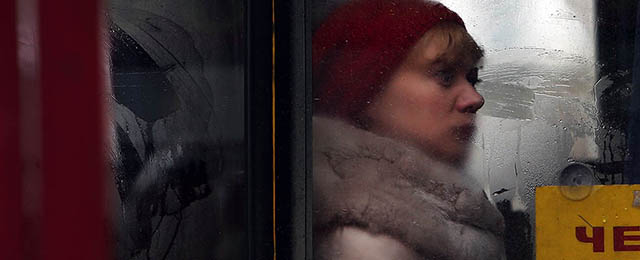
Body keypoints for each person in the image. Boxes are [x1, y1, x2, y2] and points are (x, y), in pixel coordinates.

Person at [312, 0, 506, 259]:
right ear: (366, 91)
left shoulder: (429, 218)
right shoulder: (368, 246)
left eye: (472, 79)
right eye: (445, 76)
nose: (475, 99)